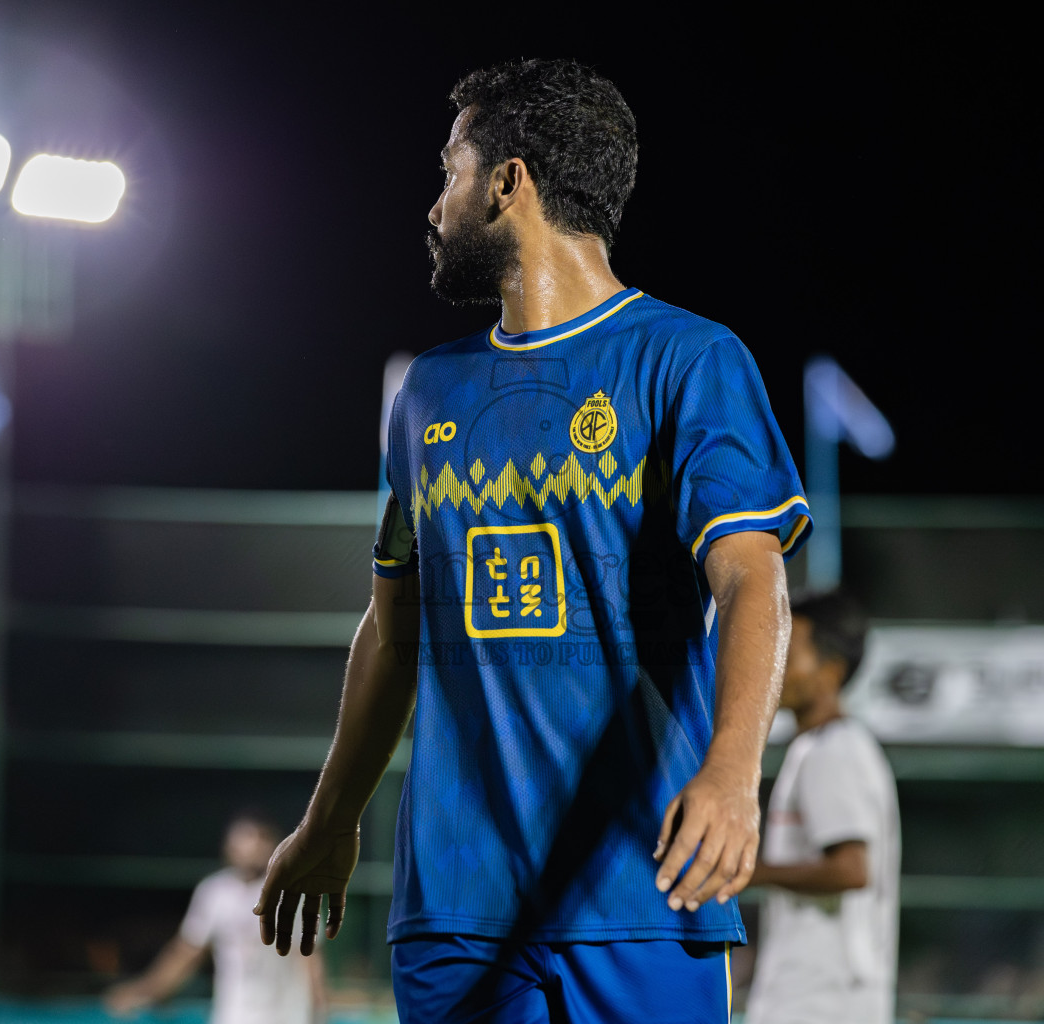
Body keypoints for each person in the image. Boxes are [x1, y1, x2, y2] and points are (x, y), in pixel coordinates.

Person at [253, 58, 809, 1023]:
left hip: (643, 887)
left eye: (450, 172)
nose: (435, 207)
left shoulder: (688, 360)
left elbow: (751, 580)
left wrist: (731, 773)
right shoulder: (427, 393)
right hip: (456, 904)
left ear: (509, 182)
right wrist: (331, 818)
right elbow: (394, 629)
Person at [743, 590, 900, 1024]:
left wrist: (748, 872)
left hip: (825, 997)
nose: (775, 663)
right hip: (815, 993)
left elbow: (851, 869)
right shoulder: (816, 747)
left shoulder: (835, 750)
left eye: (789, 652)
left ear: (831, 670)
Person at [105, 812, 325, 1024]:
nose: (253, 846)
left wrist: (319, 1009)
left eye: (261, 838)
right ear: (229, 845)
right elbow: (186, 953)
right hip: (233, 1017)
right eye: (245, 838)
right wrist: (145, 990)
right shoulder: (215, 892)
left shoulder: (293, 893)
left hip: (284, 1017)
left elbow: (307, 958)